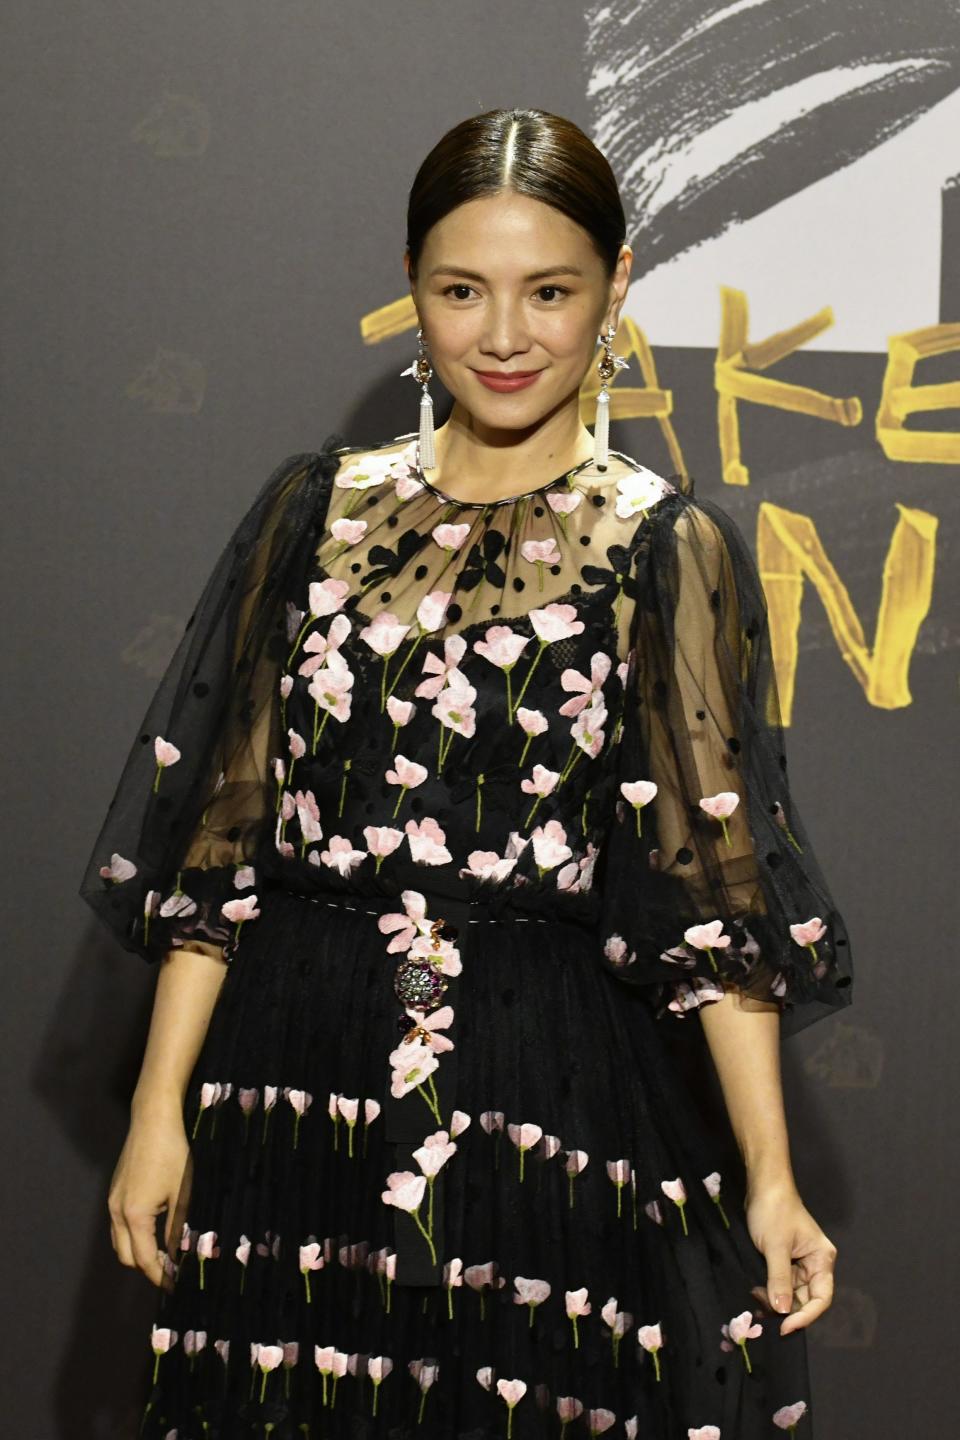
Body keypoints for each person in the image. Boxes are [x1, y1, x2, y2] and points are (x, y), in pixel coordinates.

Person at [79, 107, 853, 1440]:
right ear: (412, 291)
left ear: (615, 288)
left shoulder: (668, 548)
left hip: (545, 1084)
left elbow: (712, 893)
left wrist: (773, 1179)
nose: (505, 335)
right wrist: (160, 1114)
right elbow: (221, 841)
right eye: (461, 291)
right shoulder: (311, 512)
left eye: (550, 291)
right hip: (298, 1072)